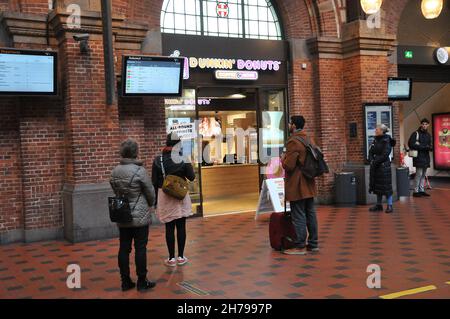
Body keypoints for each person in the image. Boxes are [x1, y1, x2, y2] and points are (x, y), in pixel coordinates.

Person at [110, 139, 156, 292]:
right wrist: (151, 203)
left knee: (124, 248)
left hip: (123, 214)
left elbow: (115, 188)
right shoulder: (139, 171)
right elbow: (150, 193)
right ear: (135, 152)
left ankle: (125, 281)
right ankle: (142, 282)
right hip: (140, 215)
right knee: (140, 248)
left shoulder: (115, 170)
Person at [152, 133, 196, 267]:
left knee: (169, 227)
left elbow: (154, 181)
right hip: (180, 195)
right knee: (181, 226)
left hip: (164, 196)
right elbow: (192, 177)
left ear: (166, 143)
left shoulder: (158, 160)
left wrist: (155, 202)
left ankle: (171, 258)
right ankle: (181, 257)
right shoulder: (183, 158)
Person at [281, 116, 319, 255]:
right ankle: (313, 244)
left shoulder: (293, 142)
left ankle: (300, 246)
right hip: (309, 181)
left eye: (290, 123)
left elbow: (289, 166)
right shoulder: (309, 139)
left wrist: (282, 159)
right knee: (310, 212)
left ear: (294, 125)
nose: (289, 125)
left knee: (298, 214)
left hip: (298, 183)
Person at [368, 124, 396, 214]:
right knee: (377, 186)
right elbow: (371, 151)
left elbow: (385, 154)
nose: (375, 131)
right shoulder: (375, 140)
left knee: (386, 187)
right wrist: (371, 160)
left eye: (377, 129)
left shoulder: (387, 140)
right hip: (376, 167)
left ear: (382, 131)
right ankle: (379, 205)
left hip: (384, 167)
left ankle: (390, 205)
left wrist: (375, 161)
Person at [408, 118, 432, 197]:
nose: (424, 125)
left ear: (428, 125)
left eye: (426, 124)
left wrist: (431, 148)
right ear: (421, 124)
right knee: (419, 174)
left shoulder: (428, 135)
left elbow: (430, 145)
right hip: (418, 157)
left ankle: (421, 190)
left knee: (423, 174)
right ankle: (415, 191)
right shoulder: (415, 133)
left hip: (426, 157)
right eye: (423, 124)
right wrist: (424, 147)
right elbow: (411, 144)